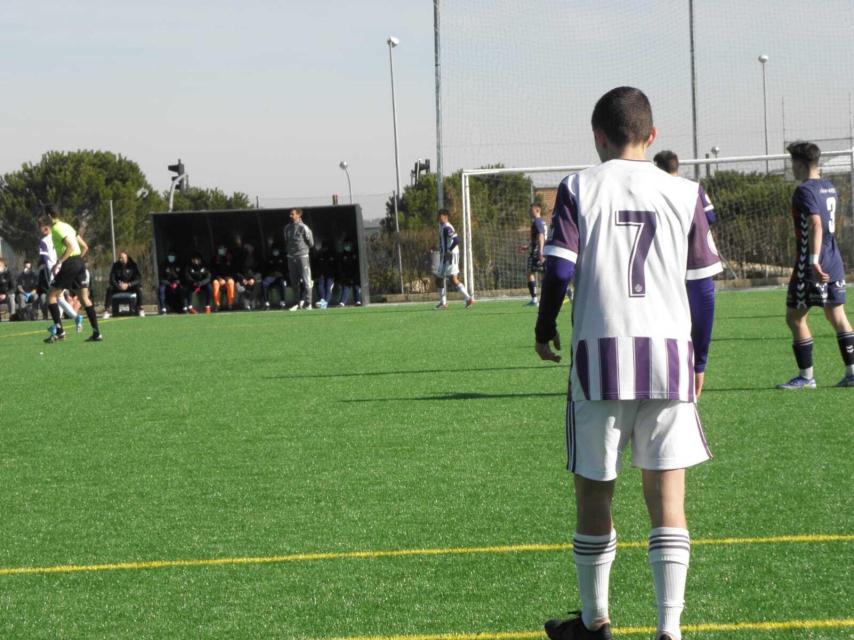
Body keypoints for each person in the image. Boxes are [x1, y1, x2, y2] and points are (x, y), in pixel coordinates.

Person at [535, 87, 721, 640]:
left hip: (598, 360)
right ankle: (669, 630)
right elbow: (704, 290)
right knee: (667, 496)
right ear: (653, 135)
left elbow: (559, 271)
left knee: (595, 490)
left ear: (598, 135)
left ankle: (595, 623)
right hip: (669, 360)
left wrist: (544, 328)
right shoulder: (686, 191)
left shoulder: (578, 186)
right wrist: (701, 358)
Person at [777, 141, 854, 389]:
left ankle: (806, 377)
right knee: (837, 315)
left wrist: (812, 262)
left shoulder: (804, 190)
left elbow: (816, 224)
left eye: (792, 163)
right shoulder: (829, 187)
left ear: (799, 164)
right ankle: (852, 372)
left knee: (795, 318)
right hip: (834, 259)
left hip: (812, 262)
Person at [41, 205, 102, 342]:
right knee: (84, 299)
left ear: (49, 216)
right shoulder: (67, 226)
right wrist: (78, 261)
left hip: (70, 263)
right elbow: (84, 246)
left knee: (51, 295)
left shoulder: (56, 229)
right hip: (79, 262)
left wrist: (59, 262)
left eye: (45, 215)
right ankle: (97, 333)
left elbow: (69, 246)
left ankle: (60, 331)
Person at [38, 221, 84, 330]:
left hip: (53, 269)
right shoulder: (57, 236)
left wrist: (44, 267)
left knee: (54, 297)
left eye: (40, 227)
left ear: (45, 228)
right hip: (64, 266)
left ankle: (59, 326)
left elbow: (44, 258)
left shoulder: (43, 241)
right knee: (59, 297)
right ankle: (70, 320)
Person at [654, 150, 717, 224]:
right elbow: (710, 217)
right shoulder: (695, 188)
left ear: (661, 169)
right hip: (692, 233)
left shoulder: (655, 190)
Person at [435, 208, 474, 309]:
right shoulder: (445, 227)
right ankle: (468, 299)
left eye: (439, 216)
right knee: (452, 279)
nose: (438, 218)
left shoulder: (447, 227)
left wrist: (448, 250)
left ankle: (444, 302)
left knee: (439, 278)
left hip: (449, 256)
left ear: (445, 216)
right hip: (452, 255)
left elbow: (456, 240)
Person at [284, 208, 314, 310]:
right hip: (291, 258)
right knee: (294, 282)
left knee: (306, 280)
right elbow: (286, 240)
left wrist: (302, 250)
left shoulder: (304, 227)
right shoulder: (287, 228)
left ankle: (308, 303)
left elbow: (311, 243)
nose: (290, 216)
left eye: (292, 214)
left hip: (302, 257)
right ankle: (297, 303)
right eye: (290, 214)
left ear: (298, 215)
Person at [103, 251, 144, 318]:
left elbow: (138, 279)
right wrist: (119, 285)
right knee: (109, 289)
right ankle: (107, 310)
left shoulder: (133, 265)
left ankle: (141, 309)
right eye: (119, 258)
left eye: (122, 258)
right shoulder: (115, 265)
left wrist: (129, 284)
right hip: (119, 287)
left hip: (130, 287)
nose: (120, 259)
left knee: (138, 289)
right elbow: (112, 279)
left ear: (127, 257)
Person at [525, 204, 546, 306]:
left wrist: (540, 251)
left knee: (530, 273)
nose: (530, 212)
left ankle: (534, 299)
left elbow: (541, 236)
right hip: (541, 249)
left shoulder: (537, 222)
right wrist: (528, 246)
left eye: (531, 210)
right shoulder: (542, 221)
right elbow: (538, 236)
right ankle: (567, 291)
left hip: (537, 251)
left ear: (537, 210)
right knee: (546, 274)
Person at [235, 243, 262, 310]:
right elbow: (237, 271)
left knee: (257, 285)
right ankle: (247, 303)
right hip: (243, 278)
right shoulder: (240, 257)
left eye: (248, 247)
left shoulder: (258, 257)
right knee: (240, 287)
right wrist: (243, 279)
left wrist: (253, 279)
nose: (247, 248)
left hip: (255, 278)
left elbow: (261, 270)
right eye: (246, 247)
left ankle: (252, 302)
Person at [158, 250, 186, 314]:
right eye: (170, 256)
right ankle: (163, 309)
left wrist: (177, 282)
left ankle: (184, 308)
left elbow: (183, 277)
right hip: (166, 283)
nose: (171, 257)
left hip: (177, 283)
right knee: (161, 290)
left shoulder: (179, 264)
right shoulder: (163, 265)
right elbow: (161, 278)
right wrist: (169, 283)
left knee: (183, 289)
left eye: (173, 256)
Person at [261, 245, 288, 309]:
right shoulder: (269, 258)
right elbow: (266, 269)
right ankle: (266, 302)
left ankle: (282, 302)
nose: (275, 252)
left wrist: (285, 277)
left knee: (282, 284)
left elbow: (285, 269)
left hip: (280, 277)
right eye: (274, 251)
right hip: (271, 277)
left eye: (276, 250)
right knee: (264, 283)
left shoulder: (283, 258)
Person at [210, 243, 236, 311]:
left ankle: (230, 304)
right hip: (218, 278)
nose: (222, 251)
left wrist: (226, 279)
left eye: (223, 249)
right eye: (220, 249)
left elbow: (233, 271)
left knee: (231, 282)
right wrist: (219, 279)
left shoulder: (229, 258)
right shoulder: (215, 259)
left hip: (227, 278)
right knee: (215, 283)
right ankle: (217, 305)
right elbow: (212, 271)